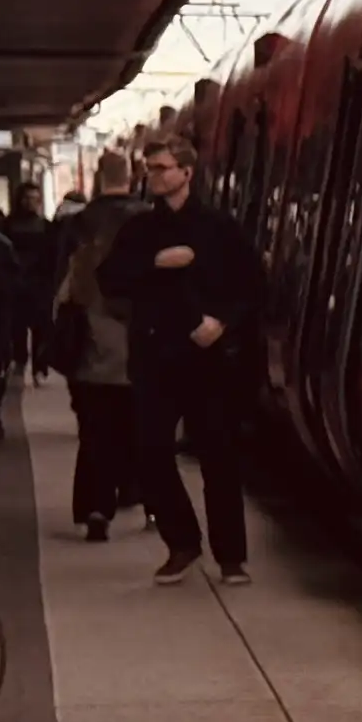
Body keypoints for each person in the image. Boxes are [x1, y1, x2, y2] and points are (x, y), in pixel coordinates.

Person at [101, 141, 261, 583]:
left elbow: (252, 284)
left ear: (187, 172)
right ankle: (183, 542)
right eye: (150, 168)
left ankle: (231, 557)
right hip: (155, 355)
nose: (154, 175)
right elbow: (110, 280)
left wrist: (222, 322)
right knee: (150, 451)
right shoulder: (140, 232)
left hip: (208, 359)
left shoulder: (220, 229)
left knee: (218, 456)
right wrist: (156, 263)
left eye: (163, 168)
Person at [50, 163, 141, 542]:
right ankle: (139, 494)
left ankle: (94, 509)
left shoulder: (82, 256)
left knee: (94, 437)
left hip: (90, 364)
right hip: (137, 362)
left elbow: (60, 303)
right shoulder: (149, 233)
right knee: (136, 433)